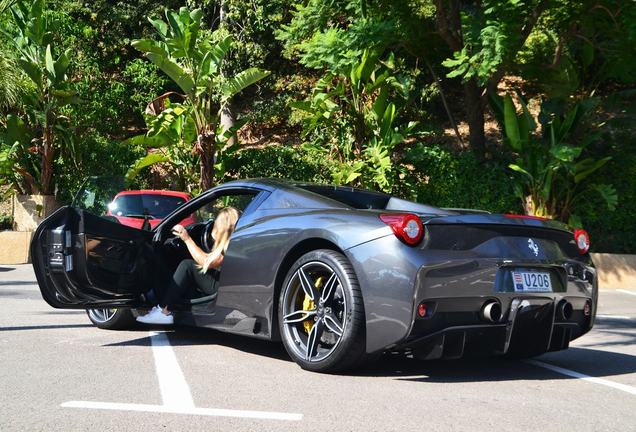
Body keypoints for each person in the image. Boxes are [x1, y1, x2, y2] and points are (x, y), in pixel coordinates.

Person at [137, 206, 240, 325]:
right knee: (190, 268)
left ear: (222, 227)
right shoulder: (237, 241)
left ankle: (163, 311)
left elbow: (206, 262)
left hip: (221, 287)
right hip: (226, 284)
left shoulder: (229, 246)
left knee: (188, 265)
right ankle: (176, 307)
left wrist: (187, 238)